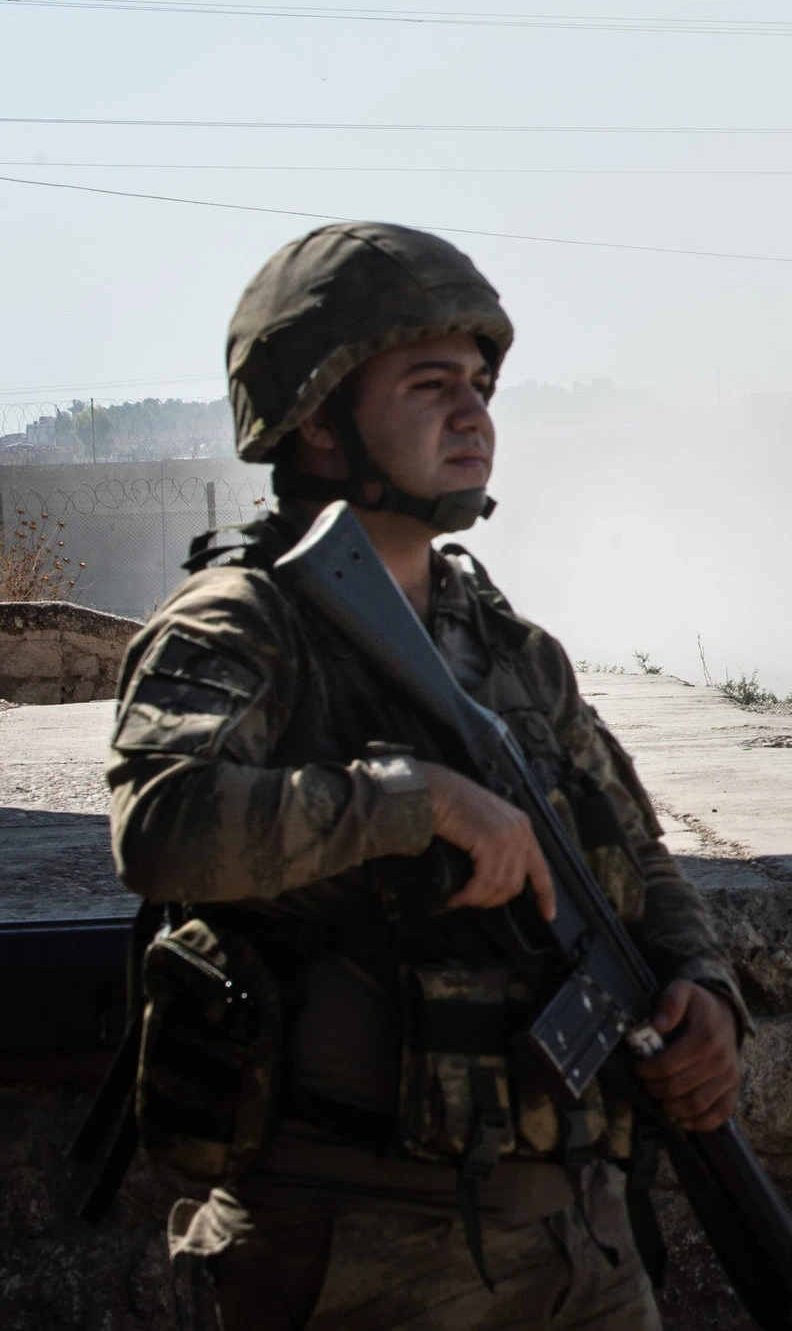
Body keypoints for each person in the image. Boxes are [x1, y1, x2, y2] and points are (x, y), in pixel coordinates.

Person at [102, 222, 744, 1329]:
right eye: (429, 384)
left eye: (480, 385)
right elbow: (161, 827)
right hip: (356, 1243)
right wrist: (419, 803)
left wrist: (705, 988)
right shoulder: (242, 622)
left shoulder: (510, 648)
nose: (473, 413)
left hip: (578, 1239)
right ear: (317, 415)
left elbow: (633, 855)